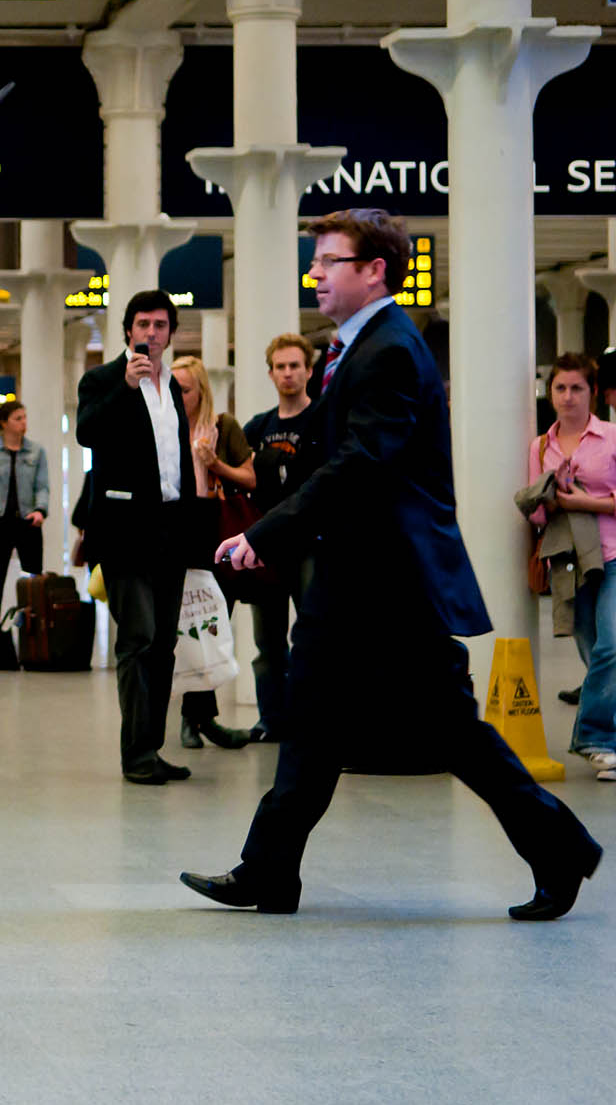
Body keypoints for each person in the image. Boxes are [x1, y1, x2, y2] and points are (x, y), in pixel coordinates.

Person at [187, 208, 603, 920]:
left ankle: (559, 845)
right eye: (314, 260)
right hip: (350, 579)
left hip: (391, 585)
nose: (314, 273)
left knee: (453, 733)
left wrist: (269, 533)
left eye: (329, 261)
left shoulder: (388, 351)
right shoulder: (351, 348)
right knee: (312, 722)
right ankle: (268, 870)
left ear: (375, 270)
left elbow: (361, 463)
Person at [76, 288, 197, 785]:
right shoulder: (102, 380)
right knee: (139, 637)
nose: (151, 333)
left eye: (160, 325)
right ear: (128, 330)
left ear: (171, 333)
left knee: (164, 643)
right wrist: (124, 389)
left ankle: (151, 745)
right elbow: (87, 433)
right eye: (143, 324)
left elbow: (178, 461)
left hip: (170, 529)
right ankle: (135, 755)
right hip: (124, 532)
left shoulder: (172, 387)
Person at [526, 353, 616, 779]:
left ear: (592, 392)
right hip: (568, 561)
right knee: (591, 648)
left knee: (612, 645)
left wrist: (582, 501)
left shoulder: (612, 438)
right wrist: (546, 496)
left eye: (576, 388)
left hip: (613, 555)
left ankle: (596, 738)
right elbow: (538, 517)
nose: (567, 396)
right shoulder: (540, 446)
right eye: (560, 388)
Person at [168, 355, 255, 751]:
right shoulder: (163, 427)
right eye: (172, 388)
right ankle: (198, 719)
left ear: (200, 390)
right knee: (184, 626)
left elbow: (250, 478)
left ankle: (199, 719)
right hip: (176, 535)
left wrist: (214, 462)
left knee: (212, 622)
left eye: (184, 389)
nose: (176, 396)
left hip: (216, 533)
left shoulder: (223, 427)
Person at [240, 333, 318, 742]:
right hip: (267, 547)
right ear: (270, 373)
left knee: (311, 635)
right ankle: (271, 719)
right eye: (280, 367)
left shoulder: (323, 421)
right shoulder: (258, 428)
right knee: (267, 643)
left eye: (295, 366)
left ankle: (310, 719)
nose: (288, 374)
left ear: (308, 369)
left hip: (310, 545)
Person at [0, 399, 49, 668]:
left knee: (34, 586)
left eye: (25, 417)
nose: (23, 423)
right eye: (18, 418)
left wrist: (41, 510)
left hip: (28, 522)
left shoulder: (37, 452)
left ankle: (37, 649)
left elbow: (43, 486)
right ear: (4, 423)